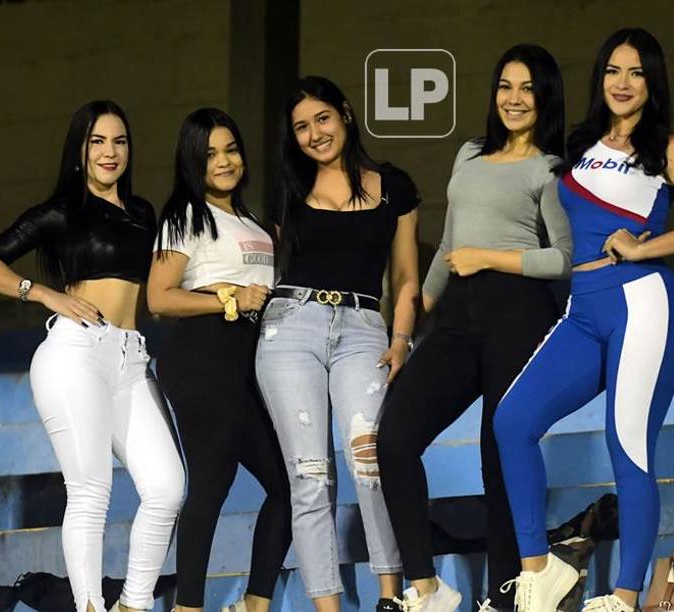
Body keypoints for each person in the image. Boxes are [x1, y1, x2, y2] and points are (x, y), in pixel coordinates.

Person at [492, 28, 674, 612]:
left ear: (652, 82)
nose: (622, 84)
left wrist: (647, 249)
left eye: (636, 73)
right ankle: (540, 573)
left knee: (627, 445)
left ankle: (623, 597)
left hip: (640, 304)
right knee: (511, 420)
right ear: (600, 78)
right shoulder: (580, 143)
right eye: (613, 72)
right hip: (583, 310)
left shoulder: (667, 148)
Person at [375, 43, 572, 612]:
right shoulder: (469, 154)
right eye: (505, 86)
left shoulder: (549, 169)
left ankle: (503, 597)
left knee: (497, 452)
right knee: (396, 438)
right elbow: (448, 251)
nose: (514, 98)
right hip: (459, 315)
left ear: (545, 97)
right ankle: (428, 589)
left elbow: (562, 257)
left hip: (519, 311)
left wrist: (490, 258)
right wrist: (407, 331)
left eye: (527, 88)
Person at [0, 100, 184, 612]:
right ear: (80, 151)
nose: (110, 152)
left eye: (120, 141)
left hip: (131, 359)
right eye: (98, 142)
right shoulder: (62, 211)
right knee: (90, 491)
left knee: (168, 487)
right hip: (76, 352)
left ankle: (132, 604)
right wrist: (42, 293)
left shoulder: (144, 213)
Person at [255, 76, 419, 612]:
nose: (314, 134)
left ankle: (389, 597)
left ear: (345, 115)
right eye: (301, 127)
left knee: (369, 459)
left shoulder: (394, 185)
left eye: (322, 119)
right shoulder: (289, 192)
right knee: (310, 477)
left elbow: (406, 277)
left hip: (363, 327)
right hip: (291, 326)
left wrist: (401, 340)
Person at [146, 108, 291, 612]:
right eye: (211, 154)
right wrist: (226, 298)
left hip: (248, 364)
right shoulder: (187, 216)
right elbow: (160, 299)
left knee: (290, 484)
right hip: (204, 355)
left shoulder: (252, 221)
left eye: (231, 149)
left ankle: (254, 602)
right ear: (193, 162)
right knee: (212, 481)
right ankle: (188, 607)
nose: (225, 161)